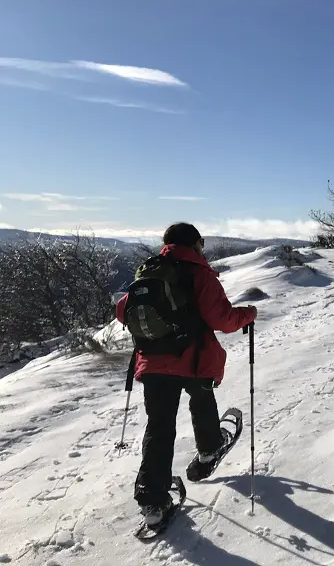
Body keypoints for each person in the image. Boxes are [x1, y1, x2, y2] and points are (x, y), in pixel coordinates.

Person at [115, 222, 257, 525]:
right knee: (202, 400)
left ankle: (153, 502)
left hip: (153, 362)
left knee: (160, 426)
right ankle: (208, 451)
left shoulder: (150, 272)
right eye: (201, 243)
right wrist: (250, 313)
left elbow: (121, 311)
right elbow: (223, 319)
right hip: (193, 359)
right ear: (195, 244)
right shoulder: (199, 274)